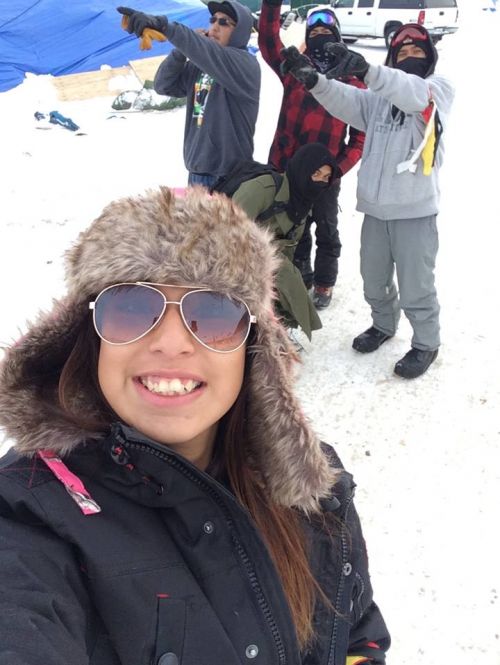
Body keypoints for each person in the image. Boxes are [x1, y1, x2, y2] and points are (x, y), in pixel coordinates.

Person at [0, 187, 390, 663]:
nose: (171, 343)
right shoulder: (30, 512)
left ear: (254, 350)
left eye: (212, 312)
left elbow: (355, 634)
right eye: (129, 307)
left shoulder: (310, 488)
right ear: (88, 336)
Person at [281, 23, 454, 379]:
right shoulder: (376, 101)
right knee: (373, 279)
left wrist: (368, 70)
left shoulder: (437, 91)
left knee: (416, 285)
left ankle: (426, 342)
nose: (408, 58)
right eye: (401, 53)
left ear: (430, 59)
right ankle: (383, 324)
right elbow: (346, 99)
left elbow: (413, 94)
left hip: (415, 213)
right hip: (375, 211)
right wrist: (311, 79)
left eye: (416, 53)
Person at [258, 2, 365, 310]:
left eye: (326, 32)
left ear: (338, 38)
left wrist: (336, 169)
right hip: (286, 171)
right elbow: (267, 39)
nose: (319, 36)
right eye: (314, 31)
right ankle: (299, 275)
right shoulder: (294, 69)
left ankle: (324, 283)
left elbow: (360, 138)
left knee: (327, 231)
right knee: (292, 229)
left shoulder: (352, 82)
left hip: (324, 178)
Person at [118, 1, 260, 188]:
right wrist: (179, 53)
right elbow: (163, 85)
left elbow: (205, 50)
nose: (215, 26)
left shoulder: (244, 64)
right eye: (213, 20)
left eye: (224, 22)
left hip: (230, 177)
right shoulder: (201, 65)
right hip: (197, 174)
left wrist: (163, 26)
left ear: (240, 31)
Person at [232, 143, 335, 339]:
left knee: (286, 278)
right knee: (283, 275)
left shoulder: (302, 201)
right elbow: (227, 231)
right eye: (316, 174)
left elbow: (289, 246)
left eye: (325, 178)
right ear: (303, 169)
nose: (320, 182)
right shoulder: (261, 189)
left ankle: (272, 330)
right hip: (235, 254)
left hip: (269, 257)